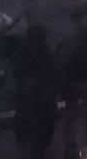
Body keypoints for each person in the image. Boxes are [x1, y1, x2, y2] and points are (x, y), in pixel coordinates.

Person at [58, 5, 87, 159]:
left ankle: (69, 153)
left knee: (70, 119)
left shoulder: (66, 34)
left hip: (71, 81)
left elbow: (60, 57)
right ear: (84, 18)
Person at [13, 24, 58, 159]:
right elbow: (55, 73)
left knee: (26, 136)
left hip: (27, 101)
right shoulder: (48, 53)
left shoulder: (22, 53)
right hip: (44, 100)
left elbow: (16, 73)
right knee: (43, 135)